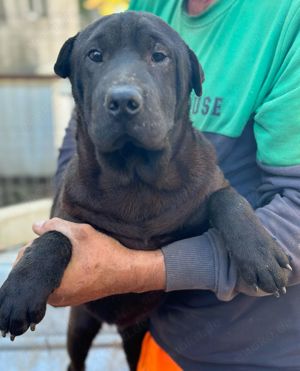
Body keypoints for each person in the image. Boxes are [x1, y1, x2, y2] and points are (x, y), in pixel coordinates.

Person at [28, 0, 300, 369]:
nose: (124, 90)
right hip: (163, 339)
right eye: (96, 56)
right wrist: (60, 225)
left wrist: (131, 271)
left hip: (258, 353)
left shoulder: (287, 20)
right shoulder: (150, 7)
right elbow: (82, 119)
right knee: (82, 336)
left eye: (158, 56)